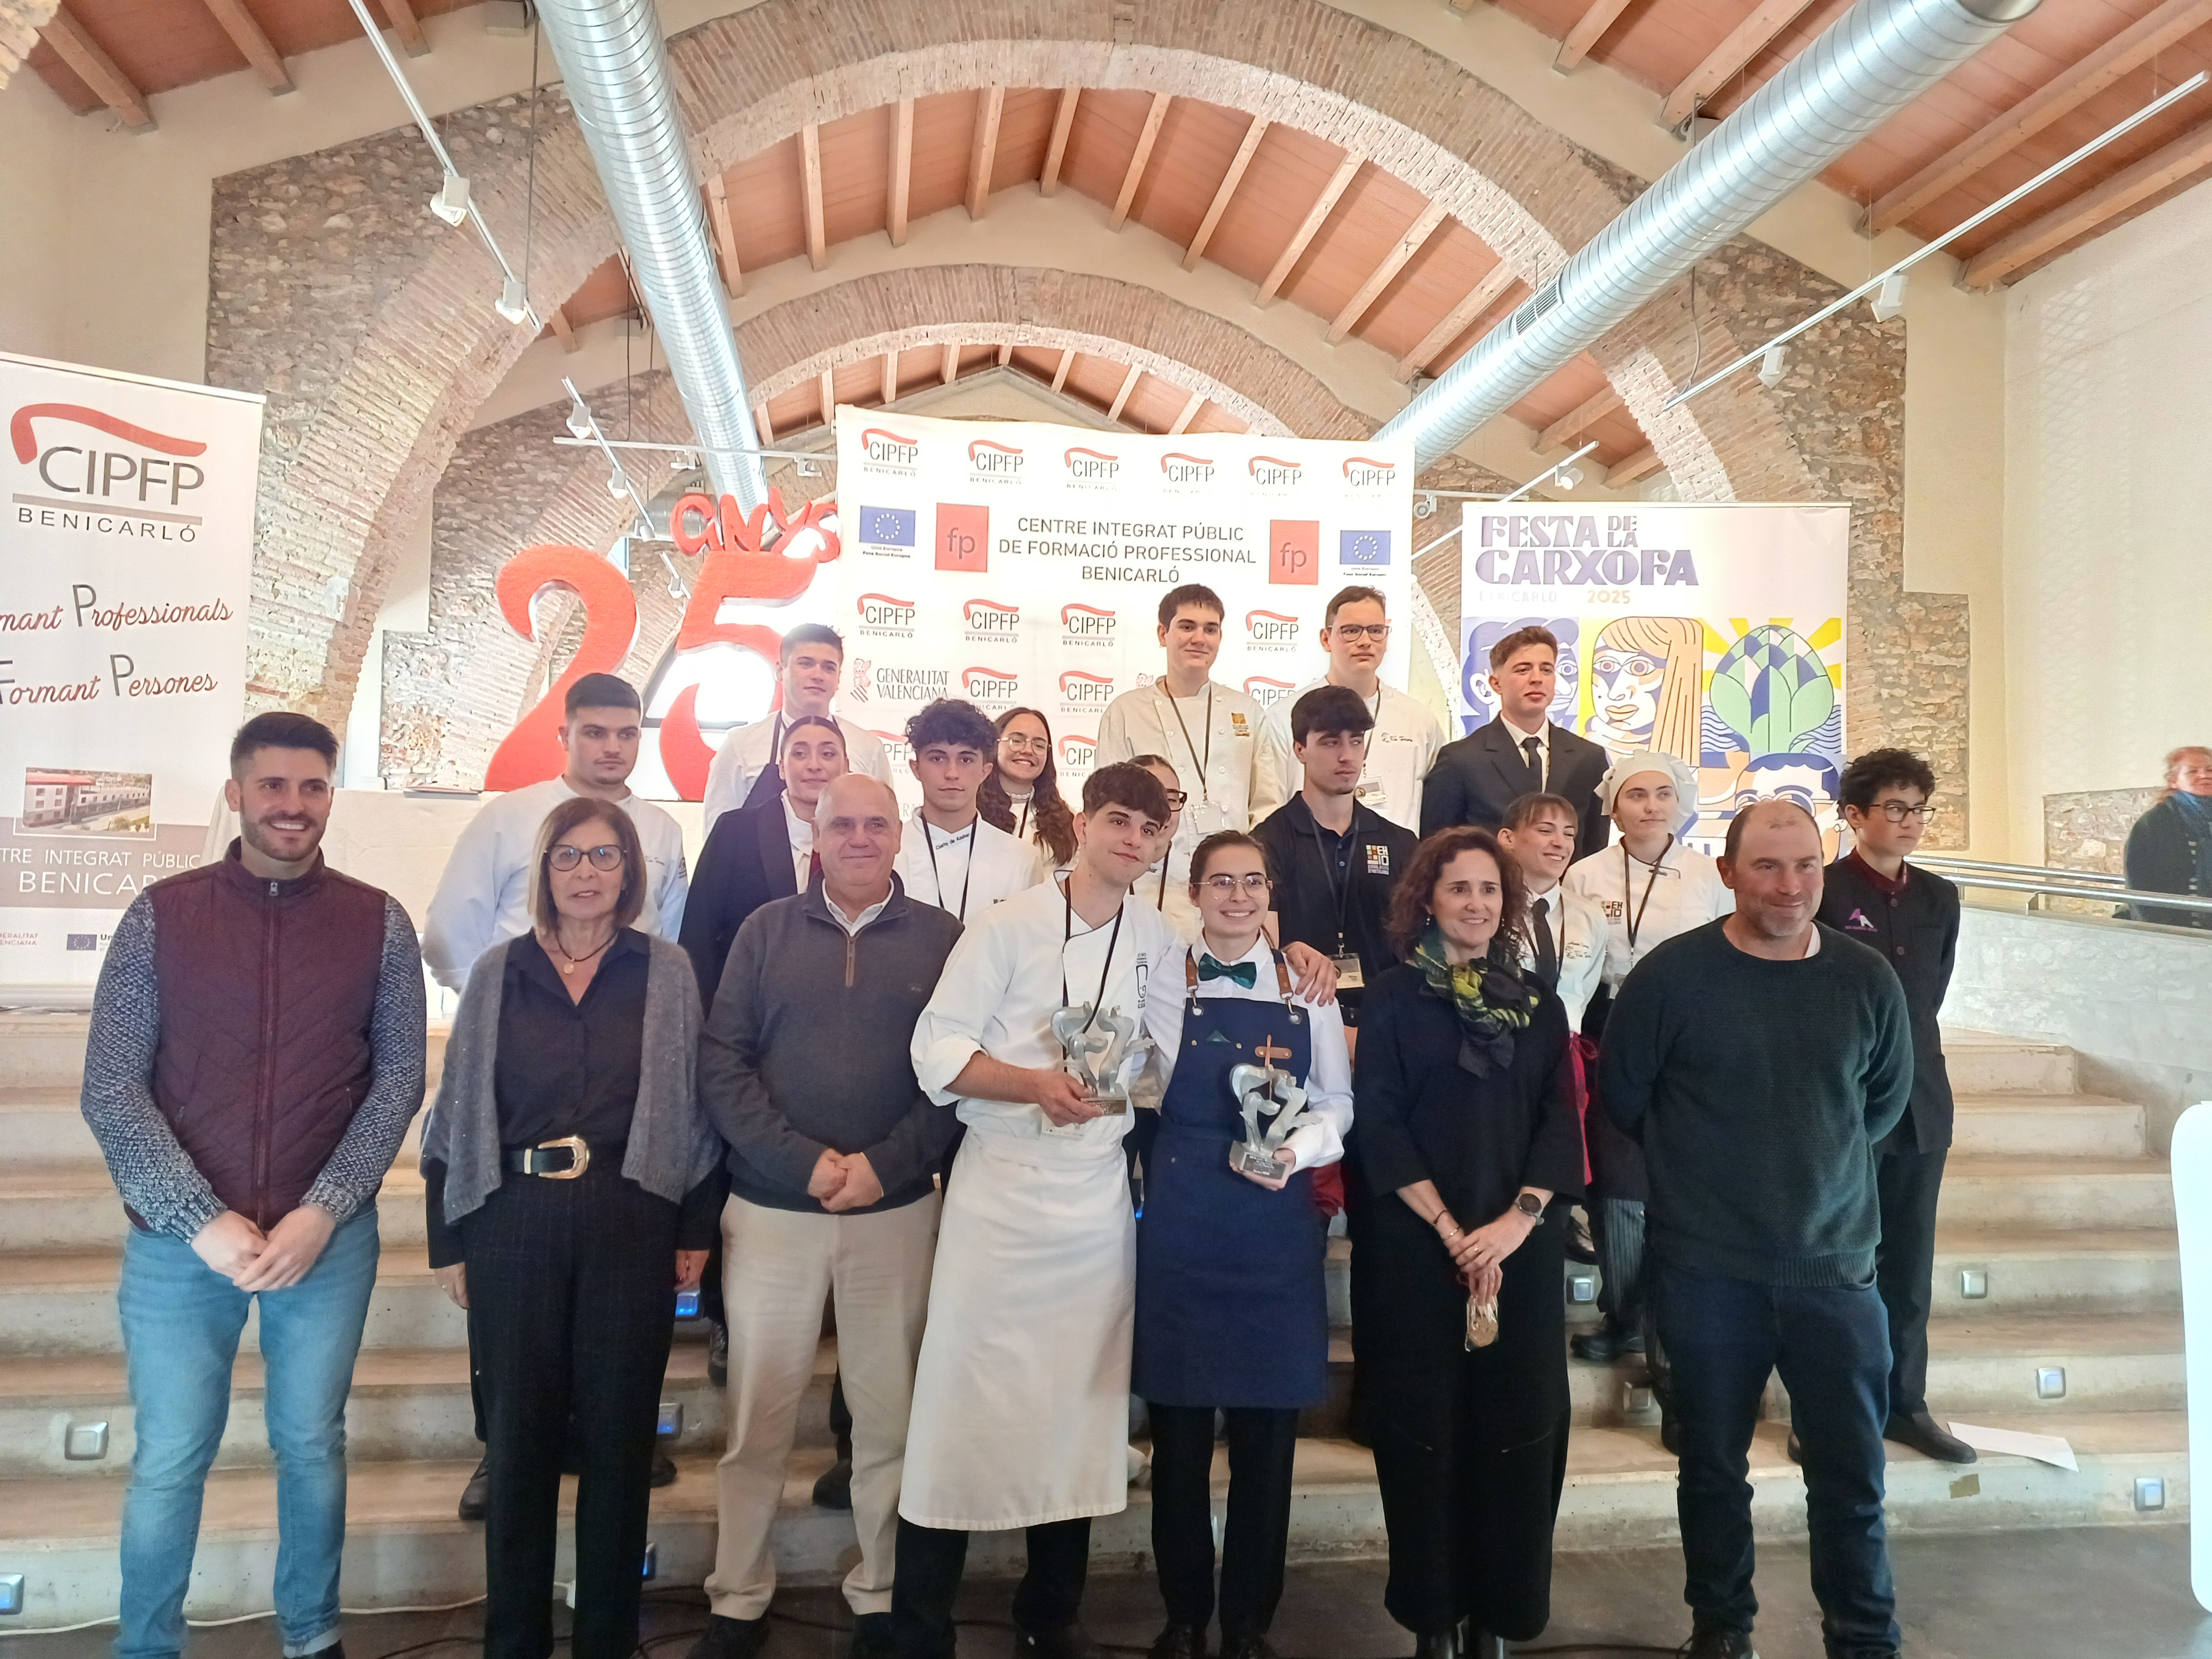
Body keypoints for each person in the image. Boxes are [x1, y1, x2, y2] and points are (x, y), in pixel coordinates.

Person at [82, 713, 427, 1659]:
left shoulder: (378, 922)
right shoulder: (162, 915)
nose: (293, 805)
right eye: (273, 785)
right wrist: (197, 1218)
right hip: (178, 1248)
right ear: (236, 793)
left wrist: (326, 1209)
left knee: (311, 1444)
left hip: (325, 1242)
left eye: (312, 787)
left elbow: (399, 1080)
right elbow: (111, 1086)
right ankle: (148, 1646)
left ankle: (312, 1636)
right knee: (169, 1458)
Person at [1599, 800, 1913, 1659]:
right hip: (1708, 1270)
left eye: (1806, 864)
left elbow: (1881, 1106)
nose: (1790, 884)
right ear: (1728, 872)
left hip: (1835, 1270)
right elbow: (1624, 1099)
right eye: (1768, 866)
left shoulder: (1865, 979)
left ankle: (1863, 1638)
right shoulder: (1672, 978)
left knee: (1851, 1477)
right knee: (1711, 1470)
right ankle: (1722, 1630)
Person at [421, 798, 723, 1659]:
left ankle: (606, 1638)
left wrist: (694, 1226)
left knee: (620, 1443)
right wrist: (450, 1237)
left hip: (632, 1216)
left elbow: (694, 1107)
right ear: (543, 870)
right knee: (519, 1443)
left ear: (630, 872)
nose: (586, 872)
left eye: (604, 856)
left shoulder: (667, 972)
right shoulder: (498, 972)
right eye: (568, 856)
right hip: (513, 1218)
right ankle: (514, 1639)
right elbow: (454, 1112)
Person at [895, 762, 1178, 1659]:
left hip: (1094, 1202)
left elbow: (1174, 1061)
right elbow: (936, 1049)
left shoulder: (1158, 937)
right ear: (1083, 824)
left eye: (1150, 829)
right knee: (961, 1401)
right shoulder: (1006, 925)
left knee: (1078, 1410)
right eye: (1119, 820)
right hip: (1002, 1193)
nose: (1133, 840)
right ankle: (919, 1623)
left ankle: (1050, 1614)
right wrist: (1033, 1085)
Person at [691, 775, 964, 1659]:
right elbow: (722, 1062)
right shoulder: (765, 931)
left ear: (899, 836)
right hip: (775, 1208)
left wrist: (884, 1166)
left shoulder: (943, 938)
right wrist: (802, 1164)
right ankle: (738, 1597)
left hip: (895, 1212)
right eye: (841, 823)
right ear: (814, 835)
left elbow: (955, 1074)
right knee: (757, 1420)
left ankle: (881, 1593)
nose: (858, 838)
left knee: (888, 1420)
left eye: (875, 824)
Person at [1348, 826, 1585, 1659]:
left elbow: (1561, 1121)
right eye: (1459, 888)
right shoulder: (1390, 1000)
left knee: (1519, 1433)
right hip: (1419, 1249)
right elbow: (1378, 1123)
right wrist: (1454, 1234)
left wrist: (1515, 1224)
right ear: (1427, 899)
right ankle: (1433, 1616)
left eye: (1489, 889)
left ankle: (1500, 1616)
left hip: (1520, 1247)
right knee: (1424, 1435)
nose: (1476, 903)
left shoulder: (1540, 1005)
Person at [1135, 831, 1352, 1659]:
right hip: (1185, 1220)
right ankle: (1184, 1618)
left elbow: (1337, 1101)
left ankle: (1250, 1624)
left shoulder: (1307, 986)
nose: (1238, 896)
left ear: (1271, 894)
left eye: (1253, 882)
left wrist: (1298, 1151)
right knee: (1181, 1436)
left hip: (1274, 1223)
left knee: (1268, 1440)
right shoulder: (1158, 973)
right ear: (1192, 892)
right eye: (1221, 881)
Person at [1818, 749, 1972, 1467]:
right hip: (1844, 1105)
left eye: (1918, 810)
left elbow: (1929, 996)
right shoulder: (1822, 890)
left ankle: (1905, 1404)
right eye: (1895, 809)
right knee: (1840, 1265)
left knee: (1908, 1269)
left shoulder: (1939, 896)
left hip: (1921, 1103)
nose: (1910, 822)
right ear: (1854, 815)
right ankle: (1830, 1410)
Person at [1559, 753, 1730, 1379]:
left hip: (1690, 1031)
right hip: (1606, 1025)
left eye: (1663, 793)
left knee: (1682, 1182)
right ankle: (1624, 1315)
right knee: (1616, 1183)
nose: (1651, 806)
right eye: (1636, 795)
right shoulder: (1584, 874)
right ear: (1613, 806)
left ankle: (1676, 1320)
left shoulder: (1708, 875)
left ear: (1681, 802)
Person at [423, 673, 689, 994]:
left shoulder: (664, 830)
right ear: (565, 737)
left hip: (630, 1009)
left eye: (627, 735)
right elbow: (448, 931)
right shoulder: (507, 816)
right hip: (522, 1007)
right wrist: (491, 1004)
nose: (613, 748)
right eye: (595, 733)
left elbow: (672, 936)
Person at [1251, 685, 1416, 1028]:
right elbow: (1263, 948)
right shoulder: (1267, 841)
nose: (1346, 756)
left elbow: (1418, 945)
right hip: (1298, 1019)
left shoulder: (1399, 842)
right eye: (1330, 742)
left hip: (1386, 1023)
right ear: (1300, 749)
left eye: (1356, 741)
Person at [1097, 586, 1264, 904]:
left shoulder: (1247, 711)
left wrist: (1252, 871)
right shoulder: (1127, 711)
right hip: (1148, 882)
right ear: (1163, 634)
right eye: (1187, 627)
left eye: (1210, 629)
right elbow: (1108, 806)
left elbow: (1266, 804)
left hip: (1232, 885)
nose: (1199, 638)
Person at [680, 714, 850, 1009]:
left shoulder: (863, 839)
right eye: (799, 754)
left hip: (836, 1009)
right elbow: (700, 931)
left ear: (846, 767)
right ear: (781, 767)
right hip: (748, 1008)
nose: (814, 765)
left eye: (827, 754)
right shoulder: (736, 830)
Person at [1253, 585, 1443, 833]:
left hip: (1398, 855)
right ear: (1326, 639)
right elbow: (1268, 807)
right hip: (1308, 850)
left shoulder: (1419, 720)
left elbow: (1438, 812)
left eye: (1376, 631)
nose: (1365, 642)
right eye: (1351, 631)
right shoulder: (1284, 716)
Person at [1420, 625, 1607, 857]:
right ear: (1496, 683)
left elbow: (1595, 850)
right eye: (1523, 670)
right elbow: (1436, 847)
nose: (1537, 679)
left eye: (1546, 670)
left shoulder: (1589, 758)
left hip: (1566, 880)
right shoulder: (1461, 760)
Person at [701, 624, 891, 830]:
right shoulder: (740, 747)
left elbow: (884, 828)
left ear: (838, 678)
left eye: (829, 667)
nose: (818, 675)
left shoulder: (868, 748)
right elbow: (718, 835)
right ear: (780, 670)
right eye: (806, 664)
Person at [895, 698, 1048, 919]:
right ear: (916, 768)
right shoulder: (889, 852)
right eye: (937, 758)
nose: (952, 773)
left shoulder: (1021, 859)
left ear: (985, 771)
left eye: (966, 760)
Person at [1494, 793, 1606, 1031]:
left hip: (1565, 1045)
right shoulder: (1490, 909)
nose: (1560, 843)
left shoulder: (1590, 916)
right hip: (1498, 1041)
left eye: (1569, 834)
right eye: (1545, 831)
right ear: (1508, 838)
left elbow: (1583, 993)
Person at [2124, 744, 2212, 928]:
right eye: (2193, 771)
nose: (2204, 776)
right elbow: (2139, 882)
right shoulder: (2155, 823)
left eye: (2210, 770)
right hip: (2176, 928)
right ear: (2173, 781)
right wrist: (2157, 931)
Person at [981, 706, 1079, 869]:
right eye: (1016, 741)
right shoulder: (969, 809)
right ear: (995, 744)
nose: (1028, 751)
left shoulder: (1066, 819)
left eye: (1039, 745)